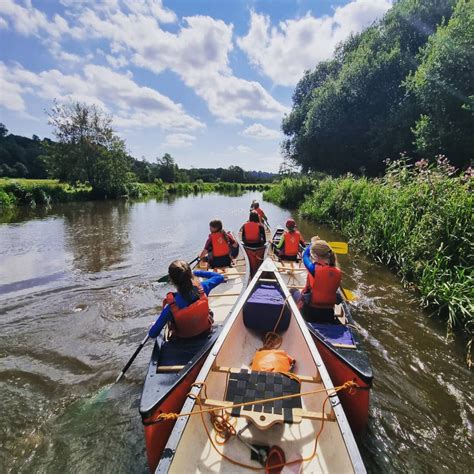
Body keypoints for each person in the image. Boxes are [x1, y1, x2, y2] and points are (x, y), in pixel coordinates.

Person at [148, 260, 225, 339]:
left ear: (172, 280)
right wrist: (196, 272)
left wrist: (154, 325)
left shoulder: (171, 307)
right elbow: (220, 277)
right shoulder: (203, 288)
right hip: (205, 333)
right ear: (190, 275)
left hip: (183, 341)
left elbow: (152, 334)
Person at [296, 237, 342, 323]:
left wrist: (311, 244)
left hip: (310, 312)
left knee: (293, 291)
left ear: (316, 256)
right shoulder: (338, 271)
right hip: (328, 313)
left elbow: (305, 255)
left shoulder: (313, 269)